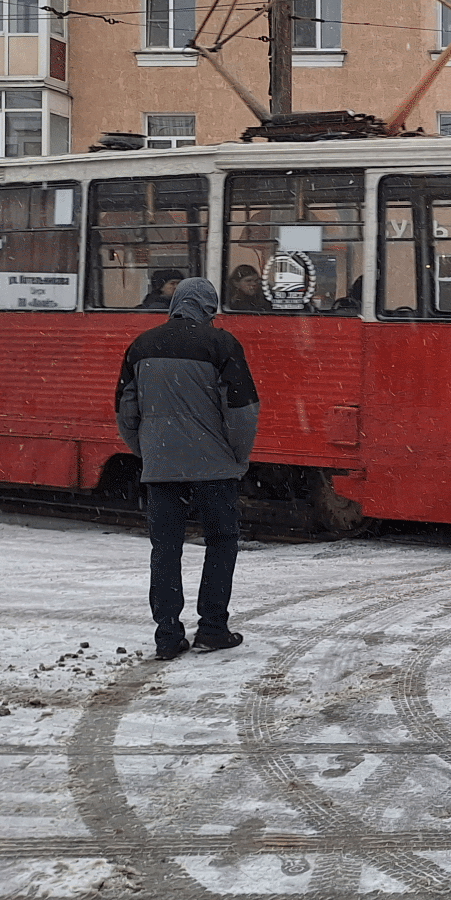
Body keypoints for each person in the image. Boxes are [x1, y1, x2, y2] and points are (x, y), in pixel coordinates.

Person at [114, 278, 260, 660]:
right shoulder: (222, 344)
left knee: (165, 550)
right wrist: (237, 457)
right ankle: (212, 628)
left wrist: (149, 453)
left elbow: (125, 413)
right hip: (215, 470)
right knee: (221, 543)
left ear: (175, 303)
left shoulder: (141, 345)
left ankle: (167, 635)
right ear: (209, 307)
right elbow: (242, 412)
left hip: (161, 469)